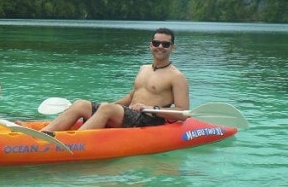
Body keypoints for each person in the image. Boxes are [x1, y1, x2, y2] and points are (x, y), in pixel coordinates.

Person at [41, 28, 189, 132]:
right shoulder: (143, 69)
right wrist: (110, 106)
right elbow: (132, 96)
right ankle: (44, 133)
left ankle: (75, 142)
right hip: (130, 115)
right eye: (156, 43)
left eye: (166, 44)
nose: (160, 47)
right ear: (151, 45)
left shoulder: (177, 77)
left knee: (106, 108)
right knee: (80, 104)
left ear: (173, 48)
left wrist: (153, 109)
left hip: (149, 119)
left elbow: (182, 112)